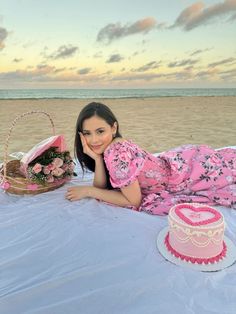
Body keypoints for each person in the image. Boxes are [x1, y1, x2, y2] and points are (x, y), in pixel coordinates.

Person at [65, 102, 236, 215]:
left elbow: (133, 201)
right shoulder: (112, 148)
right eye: (87, 133)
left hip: (185, 173)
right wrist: (96, 158)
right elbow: (101, 185)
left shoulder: (117, 155)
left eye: (100, 131)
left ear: (114, 127)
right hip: (177, 163)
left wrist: (88, 191)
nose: (94, 140)